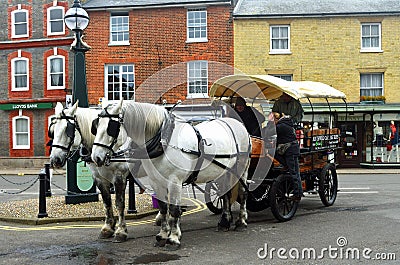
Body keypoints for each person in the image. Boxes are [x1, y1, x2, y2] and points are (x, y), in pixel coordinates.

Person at [273, 112, 303, 201]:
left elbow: (269, 132)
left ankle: (297, 194)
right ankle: (286, 166)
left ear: (277, 119)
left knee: (294, 173)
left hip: (290, 151)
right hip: (291, 149)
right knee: (295, 172)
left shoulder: (281, 126)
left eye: (273, 120)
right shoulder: (286, 123)